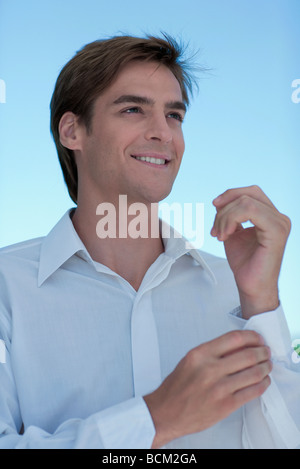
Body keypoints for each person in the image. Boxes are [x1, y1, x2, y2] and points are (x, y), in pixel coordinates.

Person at [0, 33, 299, 449]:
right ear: (72, 131)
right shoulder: (6, 285)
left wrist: (263, 304)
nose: (163, 133)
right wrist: (155, 419)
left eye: (174, 115)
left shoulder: (234, 286)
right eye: (133, 109)